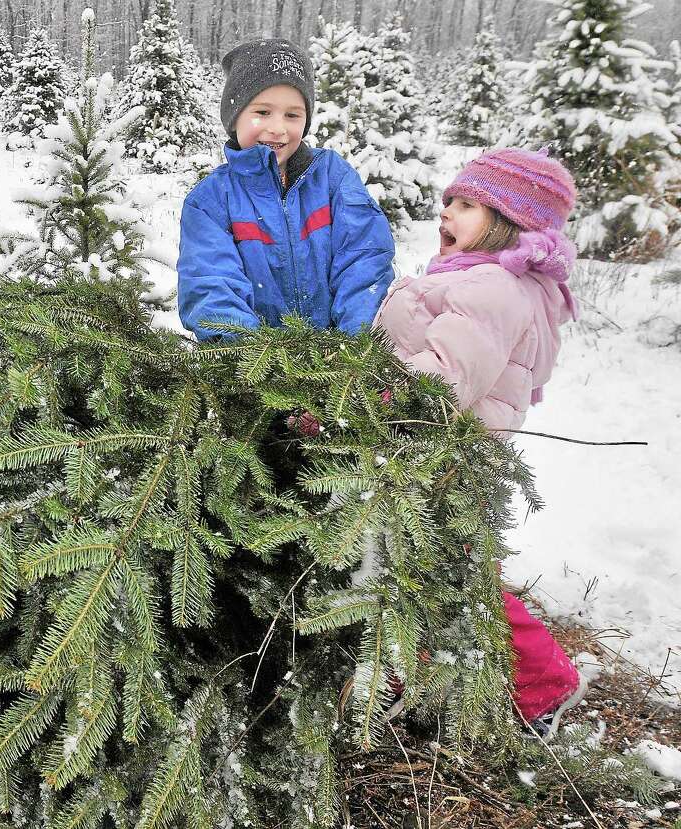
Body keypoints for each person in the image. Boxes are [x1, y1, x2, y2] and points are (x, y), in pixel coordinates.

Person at [375, 147, 587, 738]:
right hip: (440, 455)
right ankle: (405, 674)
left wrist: (365, 407)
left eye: (466, 205)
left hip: (444, 461)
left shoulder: (493, 287)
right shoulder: (482, 279)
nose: (446, 213)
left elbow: (442, 379)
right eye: (447, 202)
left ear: (508, 221)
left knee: (451, 577)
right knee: (426, 570)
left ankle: (542, 687)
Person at [176, 39, 395, 341]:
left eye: (292, 115)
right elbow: (211, 286)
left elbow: (364, 260)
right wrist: (256, 360)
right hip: (253, 373)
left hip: (337, 368)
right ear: (234, 116)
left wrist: (352, 347)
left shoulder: (332, 178)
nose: (278, 128)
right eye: (263, 112)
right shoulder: (210, 201)